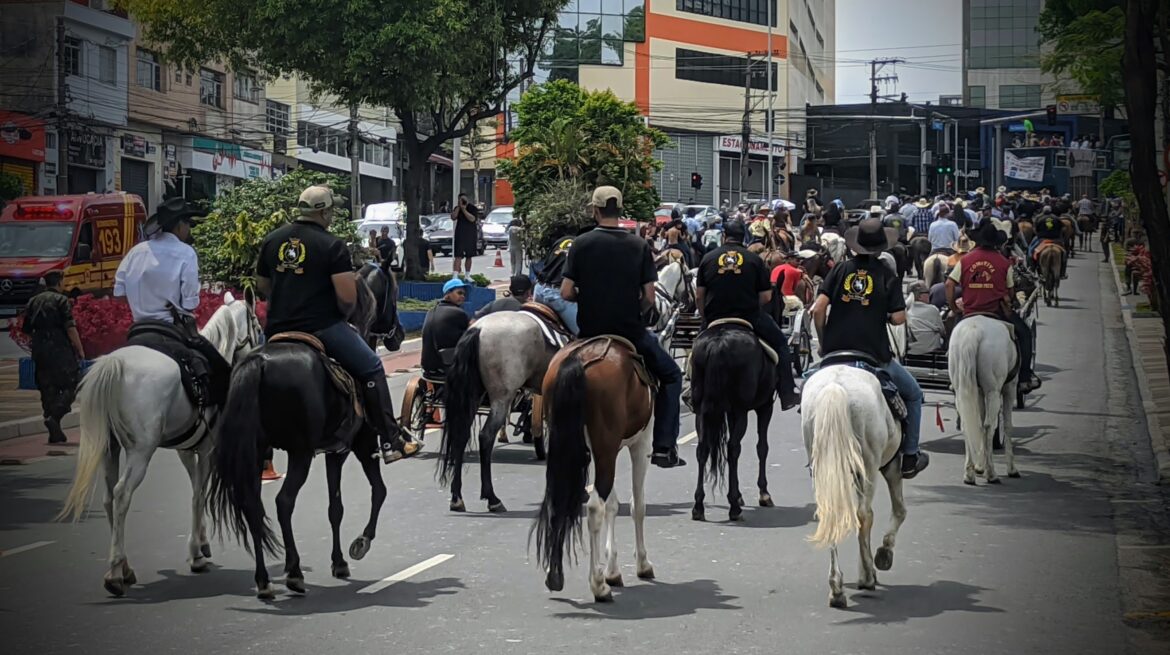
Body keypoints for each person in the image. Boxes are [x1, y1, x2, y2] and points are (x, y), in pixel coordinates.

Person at [257, 185, 419, 464]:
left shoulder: (273, 240)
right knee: (372, 366)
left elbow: (263, 286)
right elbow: (346, 299)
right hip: (322, 327)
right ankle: (391, 439)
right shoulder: (332, 245)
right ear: (322, 211)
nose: (332, 215)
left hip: (276, 329)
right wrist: (338, 311)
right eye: (330, 210)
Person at [561, 186, 685, 469]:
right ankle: (664, 446)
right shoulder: (638, 245)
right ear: (620, 211)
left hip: (589, 333)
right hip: (630, 332)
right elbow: (650, 298)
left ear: (595, 210)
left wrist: (591, 297)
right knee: (672, 376)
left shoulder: (581, 243)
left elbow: (566, 292)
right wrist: (633, 310)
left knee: (555, 376)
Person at [810, 218, 929, 479]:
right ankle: (910, 455)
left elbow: (818, 309)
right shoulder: (888, 274)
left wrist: (824, 341)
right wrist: (880, 313)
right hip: (874, 354)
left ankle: (813, 457)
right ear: (881, 247)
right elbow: (899, 318)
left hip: (836, 352)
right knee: (914, 395)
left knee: (807, 392)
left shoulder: (839, 270)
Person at [114, 197, 230, 410]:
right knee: (221, 369)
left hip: (137, 329)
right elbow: (190, 303)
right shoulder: (186, 253)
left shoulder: (136, 252)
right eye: (188, 225)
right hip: (171, 329)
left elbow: (119, 292)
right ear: (179, 226)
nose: (189, 230)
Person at [696, 219, 801, 410]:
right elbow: (767, 296)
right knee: (781, 344)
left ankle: (693, 391)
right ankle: (787, 391)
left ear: (724, 237)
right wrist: (749, 304)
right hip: (749, 316)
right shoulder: (754, 260)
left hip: (715, 317)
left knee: (695, 353)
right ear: (743, 237)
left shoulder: (708, 258)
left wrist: (706, 317)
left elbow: (699, 296)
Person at [945, 220, 1042, 393]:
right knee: (1025, 335)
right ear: (997, 242)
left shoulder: (965, 260)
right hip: (997, 311)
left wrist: (954, 307)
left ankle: (954, 376)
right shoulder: (1004, 263)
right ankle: (1025, 377)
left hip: (969, 311)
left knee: (952, 336)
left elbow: (949, 284)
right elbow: (1011, 293)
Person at [22, 271, 85, 444]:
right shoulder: (61, 300)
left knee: (46, 386)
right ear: (59, 282)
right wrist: (80, 349)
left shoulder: (33, 301)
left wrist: (36, 346)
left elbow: (26, 329)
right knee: (72, 382)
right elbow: (70, 327)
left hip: (40, 350)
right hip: (60, 348)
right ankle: (55, 416)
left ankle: (53, 428)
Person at [421, 278, 472, 377]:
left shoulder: (430, 311)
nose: (462, 297)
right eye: (459, 293)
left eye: (464, 294)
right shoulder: (458, 313)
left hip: (427, 368)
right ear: (448, 294)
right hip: (447, 368)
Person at [534, 233, 578, 334]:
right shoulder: (584, 246)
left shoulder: (561, 241)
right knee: (587, 337)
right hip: (557, 295)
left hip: (539, 290)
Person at [906, 281, 946, 355]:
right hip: (930, 351)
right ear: (919, 296)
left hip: (910, 351)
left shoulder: (905, 310)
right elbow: (942, 331)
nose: (929, 294)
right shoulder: (932, 309)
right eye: (927, 292)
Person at [451, 193, 479, 278]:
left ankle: (467, 275)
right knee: (458, 255)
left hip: (470, 234)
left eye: (464, 199)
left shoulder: (472, 208)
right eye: (460, 199)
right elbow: (453, 217)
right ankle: (455, 275)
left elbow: (472, 219)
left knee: (469, 255)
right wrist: (459, 207)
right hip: (460, 234)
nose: (462, 201)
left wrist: (464, 209)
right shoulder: (457, 208)